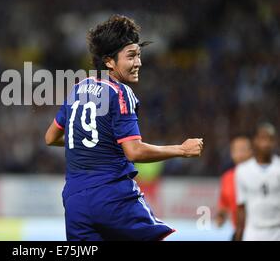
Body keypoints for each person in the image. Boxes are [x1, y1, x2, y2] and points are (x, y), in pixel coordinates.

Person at [45, 15, 203, 241]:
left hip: (75, 202)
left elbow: (51, 137)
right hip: (112, 197)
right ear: (110, 61)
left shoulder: (78, 88)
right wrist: (182, 150)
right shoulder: (119, 92)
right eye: (131, 56)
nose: (138, 62)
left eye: (138, 55)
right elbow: (134, 152)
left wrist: (98, 142)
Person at [234, 122, 280, 241]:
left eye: (270, 139)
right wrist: (239, 232)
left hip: (277, 230)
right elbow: (241, 206)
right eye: (263, 139)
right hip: (254, 232)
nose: (266, 144)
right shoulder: (242, 170)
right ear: (255, 141)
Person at [215, 136, 253, 239]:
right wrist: (220, 217)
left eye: (243, 150)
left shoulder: (259, 175)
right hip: (238, 233)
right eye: (236, 150)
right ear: (232, 154)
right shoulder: (227, 177)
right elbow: (224, 204)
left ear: (251, 152)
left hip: (258, 232)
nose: (239, 154)